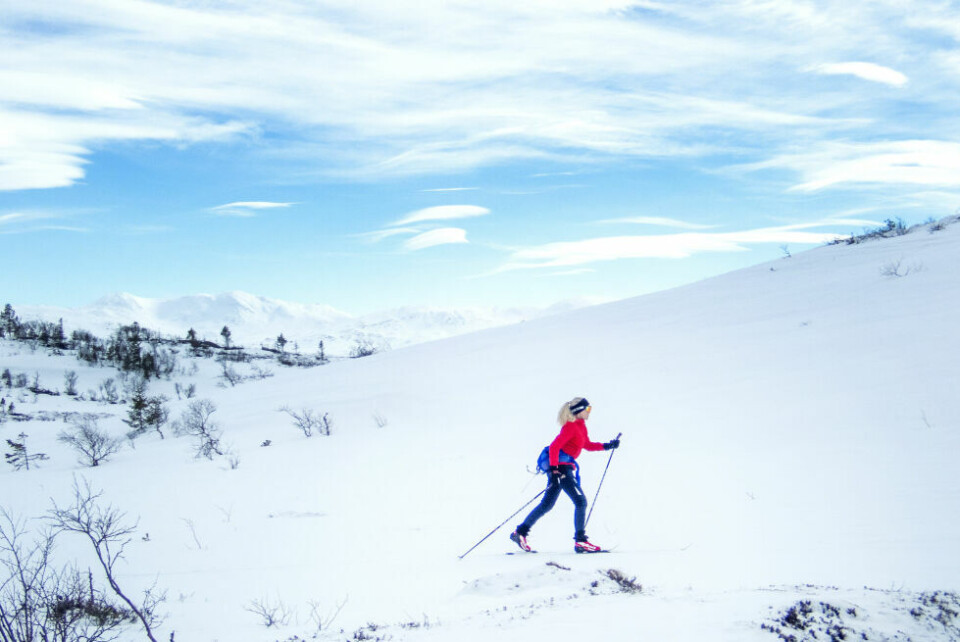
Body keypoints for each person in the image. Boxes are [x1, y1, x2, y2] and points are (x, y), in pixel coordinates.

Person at [510, 397, 620, 554]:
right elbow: (554, 447)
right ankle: (581, 541)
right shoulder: (570, 427)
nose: (589, 412)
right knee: (580, 501)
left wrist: (607, 446)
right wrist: (555, 470)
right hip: (561, 470)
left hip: (564, 468)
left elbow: (586, 445)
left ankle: (519, 533)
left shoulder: (581, 427)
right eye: (587, 409)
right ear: (578, 411)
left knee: (546, 504)